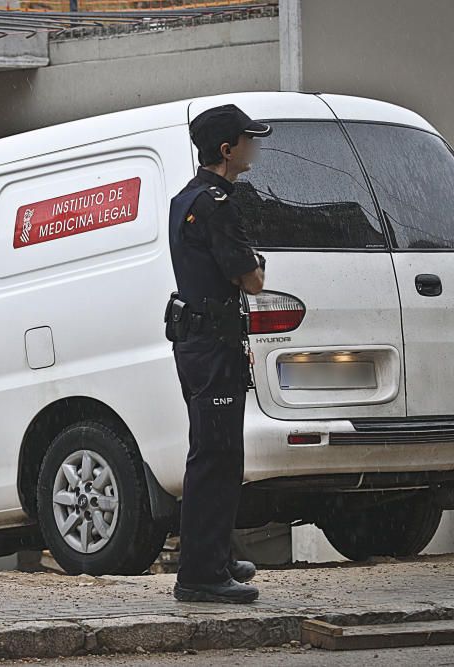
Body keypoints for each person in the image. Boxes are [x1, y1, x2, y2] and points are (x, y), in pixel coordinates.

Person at [164, 104, 269, 604]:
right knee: (217, 454)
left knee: (216, 450)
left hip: (197, 340)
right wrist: (258, 262)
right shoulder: (218, 204)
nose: (255, 146)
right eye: (249, 139)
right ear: (227, 150)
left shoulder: (185, 198)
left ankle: (216, 556)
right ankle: (201, 574)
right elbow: (250, 278)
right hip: (214, 343)